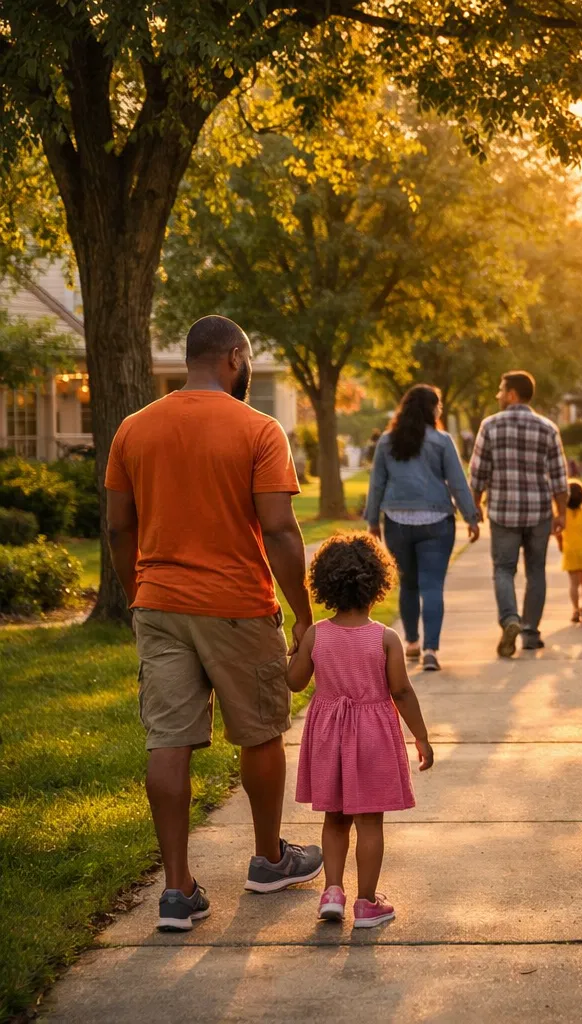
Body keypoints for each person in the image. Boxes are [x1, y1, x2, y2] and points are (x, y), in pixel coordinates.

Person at [104, 314, 322, 933]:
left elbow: (119, 527)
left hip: (160, 604)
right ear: (233, 357)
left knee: (167, 740)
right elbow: (279, 528)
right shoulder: (258, 428)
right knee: (258, 733)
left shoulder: (133, 428)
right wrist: (303, 613)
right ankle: (270, 857)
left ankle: (176, 890)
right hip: (237, 605)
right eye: (246, 362)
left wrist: (137, 595)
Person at [287, 533, 434, 929]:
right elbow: (401, 691)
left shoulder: (317, 634)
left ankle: (332, 892)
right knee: (370, 822)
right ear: (376, 585)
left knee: (335, 819)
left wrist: (295, 649)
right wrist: (420, 736)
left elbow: (295, 682)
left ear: (325, 586)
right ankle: (367, 904)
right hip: (372, 738)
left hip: (328, 738)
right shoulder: (385, 638)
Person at [364, 384, 481, 672]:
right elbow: (457, 482)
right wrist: (472, 517)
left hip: (397, 521)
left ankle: (412, 642)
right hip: (437, 521)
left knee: (408, 584)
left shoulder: (387, 441)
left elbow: (377, 482)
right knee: (432, 586)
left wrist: (372, 520)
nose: (440, 409)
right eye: (438, 405)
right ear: (432, 409)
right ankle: (430, 650)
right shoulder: (441, 440)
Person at [469, 371, 568, 658]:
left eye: (501, 390)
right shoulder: (547, 428)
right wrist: (560, 513)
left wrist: (475, 507)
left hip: (503, 512)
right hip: (538, 512)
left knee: (503, 569)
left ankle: (510, 620)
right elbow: (560, 478)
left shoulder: (490, 426)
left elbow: (478, 474)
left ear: (512, 394)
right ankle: (531, 633)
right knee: (536, 571)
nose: (498, 395)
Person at [560, 478, 582, 623]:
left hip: (570, 550)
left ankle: (575, 610)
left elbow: (558, 532)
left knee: (573, 584)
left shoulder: (563, 514)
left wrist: (560, 544)